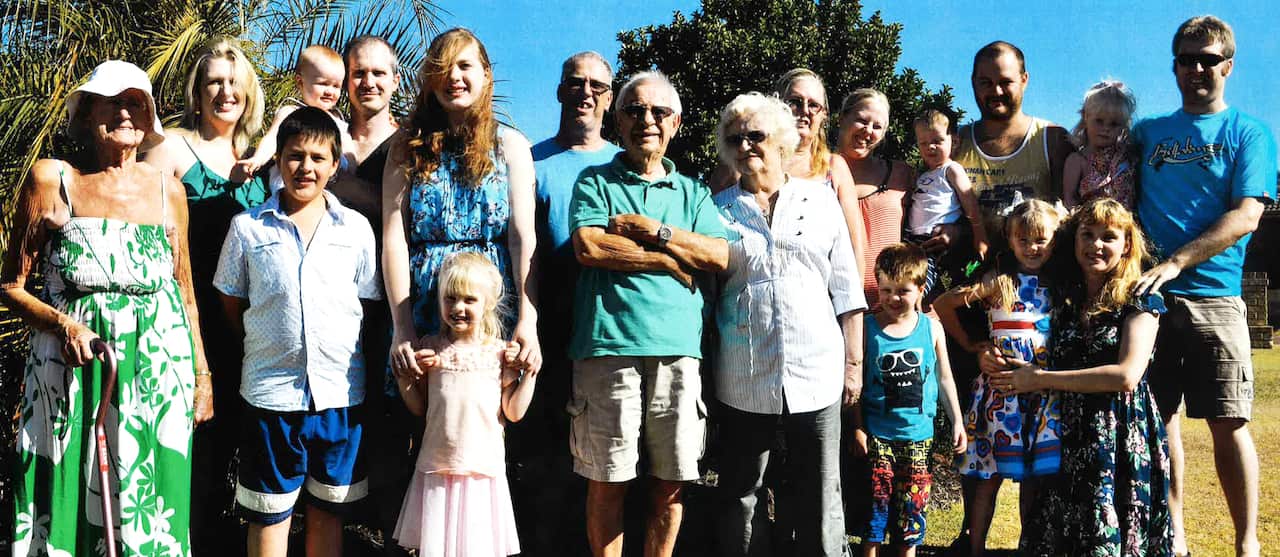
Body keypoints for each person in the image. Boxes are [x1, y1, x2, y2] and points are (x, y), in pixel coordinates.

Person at [2, 60, 211, 556]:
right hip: (68, 371)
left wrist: (202, 376)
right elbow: (10, 285)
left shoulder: (169, 190)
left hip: (157, 376)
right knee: (67, 486)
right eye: (111, 100)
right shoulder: (55, 181)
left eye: (136, 101)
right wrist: (63, 325)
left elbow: (184, 291)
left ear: (151, 116)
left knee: (153, 501)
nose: (124, 111)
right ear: (88, 111)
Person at [1132, 16, 1276, 557]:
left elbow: (1246, 215)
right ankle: (1175, 538)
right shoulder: (1147, 133)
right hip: (1151, 303)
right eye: (1186, 59)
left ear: (1228, 66)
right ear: (1173, 66)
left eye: (1208, 59)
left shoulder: (1248, 132)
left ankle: (1247, 543)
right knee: (1159, 419)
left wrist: (1176, 261)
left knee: (1229, 422)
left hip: (1216, 299)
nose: (1196, 69)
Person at [568, 70, 728, 557]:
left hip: (679, 354)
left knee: (671, 484)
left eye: (659, 112)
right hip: (607, 349)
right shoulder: (595, 180)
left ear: (676, 123)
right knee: (606, 482)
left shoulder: (694, 193)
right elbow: (591, 246)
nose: (647, 120)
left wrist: (652, 231)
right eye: (635, 110)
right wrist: (667, 259)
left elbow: (717, 256)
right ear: (617, 119)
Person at [214, 107, 380, 557]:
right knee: (270, 515)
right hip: (271, 395)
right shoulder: (247, 228)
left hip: (339, 396)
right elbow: (231, 300)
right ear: (278, 160)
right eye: (294, 156)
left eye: (317, 158)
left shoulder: (357, 230)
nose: (305, 168)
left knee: (328, 513)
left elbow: (365, 302)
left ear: (334, 163)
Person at [710, 92, 865, 556]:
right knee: (741, 491)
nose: (745, 146)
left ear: (781, 141)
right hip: (742, 372)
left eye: (755, 136)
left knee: (820, 489)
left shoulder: (818, 200)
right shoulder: (714, 208)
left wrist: (853, 364)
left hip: (816, 371)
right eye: (734, 138)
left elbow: (847, 287)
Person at [987, 198, 1173, 556]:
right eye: (1087, 235)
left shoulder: (1142, 298)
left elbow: (1125, 376)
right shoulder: (1064, 297)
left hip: (1118, 436)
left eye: (1109, 237)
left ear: (1127, 244)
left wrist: (1042, 379)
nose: (1096, 245)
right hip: (1065, 433)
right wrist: (986, 351)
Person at [144, 38, 270, 547]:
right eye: (215, 81)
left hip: (250, 327)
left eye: (235, 82)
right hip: (186, 320)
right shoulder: (172, 147)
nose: (225, 92)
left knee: (237, 453)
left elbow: (295, 113)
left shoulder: (264, 158)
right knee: (188, 448)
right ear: (197, 92)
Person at [383, 28, 542, 405]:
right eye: (444, 68)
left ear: (486, 74)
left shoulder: (510, 146)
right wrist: (402, 326)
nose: (454, 77)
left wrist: (528, 319)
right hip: (424, 302)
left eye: (465, 65)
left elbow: (522, 236)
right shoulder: (405, 148)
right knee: (422, 415)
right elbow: (394, 237)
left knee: (491, 414)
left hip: (489, 307)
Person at [520, 50, 621, 556]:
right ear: (559, 90)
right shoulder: (530, 163)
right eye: (575, 82)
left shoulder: (625, 167)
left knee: (603, 464)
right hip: (545, 327)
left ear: (610, 95)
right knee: (545, 458)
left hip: (609, 333)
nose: (586, 92)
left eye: (597, 85)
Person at [933, 199, 1065, 557]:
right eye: (1023, 239)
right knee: (987, 481)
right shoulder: (999, 281)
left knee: (1034, 483)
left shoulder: (1062, 285)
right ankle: (975, 548)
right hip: (1000, 394)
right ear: (1009, 239)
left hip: (1043, 395)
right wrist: (974, 347)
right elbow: (944, 304)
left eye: (1041, 239)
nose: (1032, 247)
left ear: (1055, 240)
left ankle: (1028, 548)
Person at [392, 253, 535, 557]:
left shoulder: (500, 354)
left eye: (469, 300)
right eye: (451, 298)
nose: (458, 307)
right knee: (437, 547)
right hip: (437, 468)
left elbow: (514, 412)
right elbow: (419, 407)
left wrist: (530, 374)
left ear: (488, 304)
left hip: (482, 470)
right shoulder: (430, 347)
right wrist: (405, 376)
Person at [329, 34, 409, 557]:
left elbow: (399, 209)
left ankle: (394, 539)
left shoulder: (409, 141)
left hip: (388, 303)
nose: (369, 82)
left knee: (391, 427)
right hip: (325, 303)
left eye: (379, 73)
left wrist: (333, 184)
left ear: (395, 80)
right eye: (359, 73)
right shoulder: (324, 132)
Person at [856, 243, 965, 557]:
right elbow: (855, 386)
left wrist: (957, 420)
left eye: (902, 290)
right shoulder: (868, 330)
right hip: (879, 436)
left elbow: (945, 378)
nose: (892, 298)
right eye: (886, 289)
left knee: (912, 512)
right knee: (875, 510)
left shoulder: (931, 329)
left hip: (919, 438)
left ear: (920, 289)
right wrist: (858, 428)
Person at [956, 41, 1073, 248]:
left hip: (1036, 273)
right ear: (973, 82)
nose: (997, 91)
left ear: (1024, 80)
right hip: (969, 269)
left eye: (1005, 82)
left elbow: (1070, 219)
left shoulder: (1052, 139)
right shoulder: (955, 143)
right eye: (986, 82)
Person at [775, 68, 868, 270]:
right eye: (795, 102)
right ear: (777, 105)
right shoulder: (746, 164)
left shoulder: (834, 168)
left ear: (824, 115)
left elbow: (855, 251)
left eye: (814, 105)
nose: (805, 110)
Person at [837, 88, 916, 309]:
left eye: (877, 126)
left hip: (897, 310)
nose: (868, 131)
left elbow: (922, 237)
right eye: (861, 120)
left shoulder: (902, 175)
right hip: (834, 307)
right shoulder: (817, 174)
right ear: (842, 118)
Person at [236, 45, 356, 181]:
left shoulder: (338, 121)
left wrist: (352, 176)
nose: (329, 91)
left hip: (330, 185)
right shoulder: (291, 113)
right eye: (323, 84)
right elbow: (271, 139)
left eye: (336, 86)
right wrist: (258, 159)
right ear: (300, 82)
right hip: (291, 182)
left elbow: (350, 155)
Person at [905, 109, 988, 301]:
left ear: (954, 142)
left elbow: (971, 204)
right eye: (923, 143)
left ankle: (918, 308)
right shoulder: (923, 175)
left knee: (923, 285)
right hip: (913, 240)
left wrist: (980, 236)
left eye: (937, 141)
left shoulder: (952, 169)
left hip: (937, 241)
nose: (930, 147)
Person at [1062, 81, 1138, 210]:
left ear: (1123, 125)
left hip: (1125, 224)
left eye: (1114, 124)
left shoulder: (1127, 156)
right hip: (1091, 224)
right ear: (1086, 117)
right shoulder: (1078, 160)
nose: (1106, 128)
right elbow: (1069, 200)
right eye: (1099, 121)